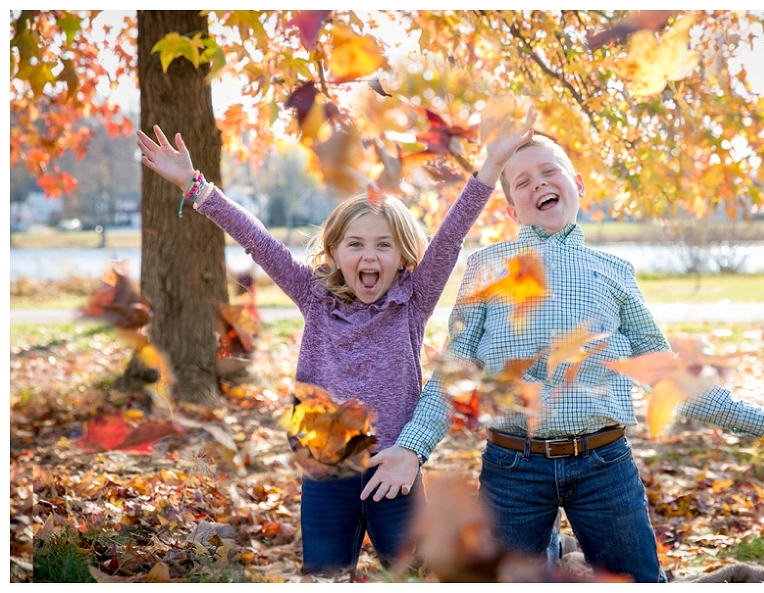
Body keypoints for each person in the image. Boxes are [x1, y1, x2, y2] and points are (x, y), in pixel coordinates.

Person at [366, 134, 764, 582]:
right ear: (511, 209)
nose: (538, 184)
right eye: (522, 182)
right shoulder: (487, 267)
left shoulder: (614, 272)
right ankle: (555, 556)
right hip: (514, 468)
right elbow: (455, 371)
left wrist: (759, 421)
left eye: (549, 171)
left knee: (638, 580)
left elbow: (663, 371)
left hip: (603, 464)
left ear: (578, 183)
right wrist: (412, 447)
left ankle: (566, 556)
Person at [135, 107, 538, 576]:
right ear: (334, 252)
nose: (370, 255)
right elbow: (259, 241)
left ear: (404, 255)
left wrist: (490, 167)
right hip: (327, 472)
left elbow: (450, 236)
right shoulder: (313, 295)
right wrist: (196, 186)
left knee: (408, 575)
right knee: (324, 574)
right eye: (357, 244)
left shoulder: (412, 300)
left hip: (394, 469)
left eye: (384, 245)